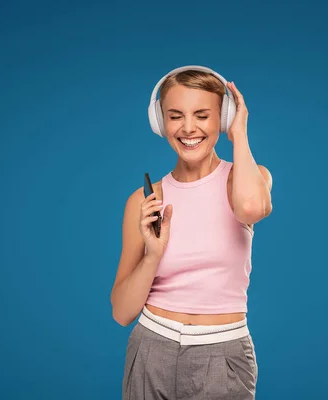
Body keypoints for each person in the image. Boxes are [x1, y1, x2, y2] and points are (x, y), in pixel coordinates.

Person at [110, 65, 273, 400]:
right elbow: (122, 312)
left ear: (223, 119)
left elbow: (252, 209)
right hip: (150, 347)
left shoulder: (245, 178)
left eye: (202, 115)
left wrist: (239, 133)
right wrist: (153, 254)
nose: (188, 128)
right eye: (175, 116)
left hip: (222, 351)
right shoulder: (144, 200)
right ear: (160, 122)